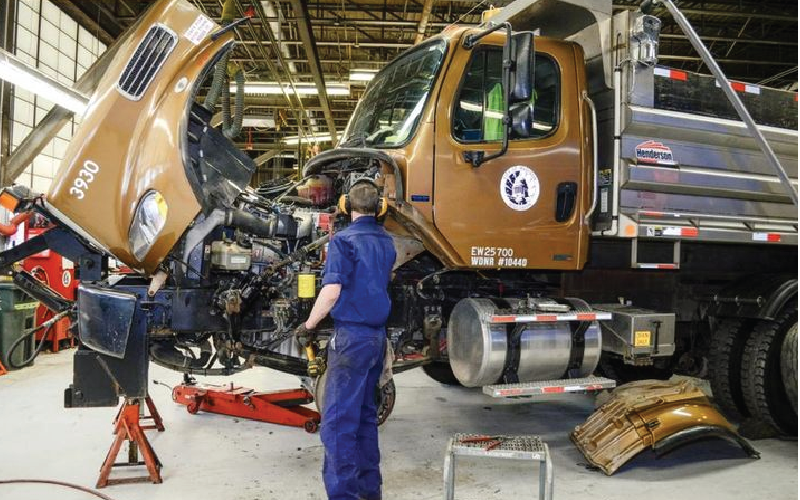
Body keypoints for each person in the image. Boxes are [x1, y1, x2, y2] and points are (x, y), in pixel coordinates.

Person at [295, 179, 396, 500]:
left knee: (338, 425)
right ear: (379, 208)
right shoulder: (387, 242)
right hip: (376, 341)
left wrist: (310, 324)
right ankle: (370, 493)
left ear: (344, 207)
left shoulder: (344, 241)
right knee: (366, 417)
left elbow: (332, 290)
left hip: (351, 339)